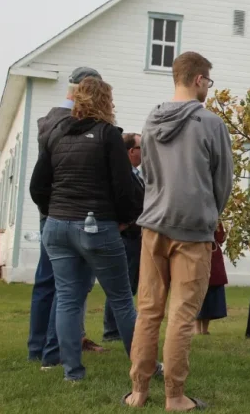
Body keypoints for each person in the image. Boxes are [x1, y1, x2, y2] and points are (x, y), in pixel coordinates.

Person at [125, 51, 233, 411]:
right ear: (199, 79)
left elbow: (149, 176)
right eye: (208, 82)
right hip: (192, 230)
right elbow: (223, 182)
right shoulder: (211, 124)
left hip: (153, 225)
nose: (208, 88)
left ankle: (138, 392)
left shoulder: (151, 121)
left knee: (149, 311)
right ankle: (174, 397)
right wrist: (208, 214)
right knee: (182, 317)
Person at [28, 77, 143, 382]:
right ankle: (142, 367)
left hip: (57, 227)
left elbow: (38, 185)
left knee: (67, 298)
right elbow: (124, 187)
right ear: (106, 101)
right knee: (120, 299)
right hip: (97, 226)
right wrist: (126, 220)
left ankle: (72, 373)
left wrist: (52, 213)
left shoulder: (54, 134)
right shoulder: (108, 135)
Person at [28, 67, 107, 370]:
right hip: (63, 210)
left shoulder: (48, 118)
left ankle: (37, 347)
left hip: (48, 209)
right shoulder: (67, 121)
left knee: (46, 281)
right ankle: (54, 349)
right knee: (66, 285)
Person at [103, 133, 144, 343]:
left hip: (135, 235)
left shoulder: (136, 174)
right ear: (131, 151)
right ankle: (112, 330)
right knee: (122, 284)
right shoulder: (124, 175)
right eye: (141, 148)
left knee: (129, 283)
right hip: (126, 235)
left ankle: (116, 328)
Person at [195, 223, 228, 335]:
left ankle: (203, 329)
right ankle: (197, 329)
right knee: (197, 293)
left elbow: (220, 238)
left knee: (209, 296)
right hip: (199, 254)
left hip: (212, 258)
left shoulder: (216, 219)